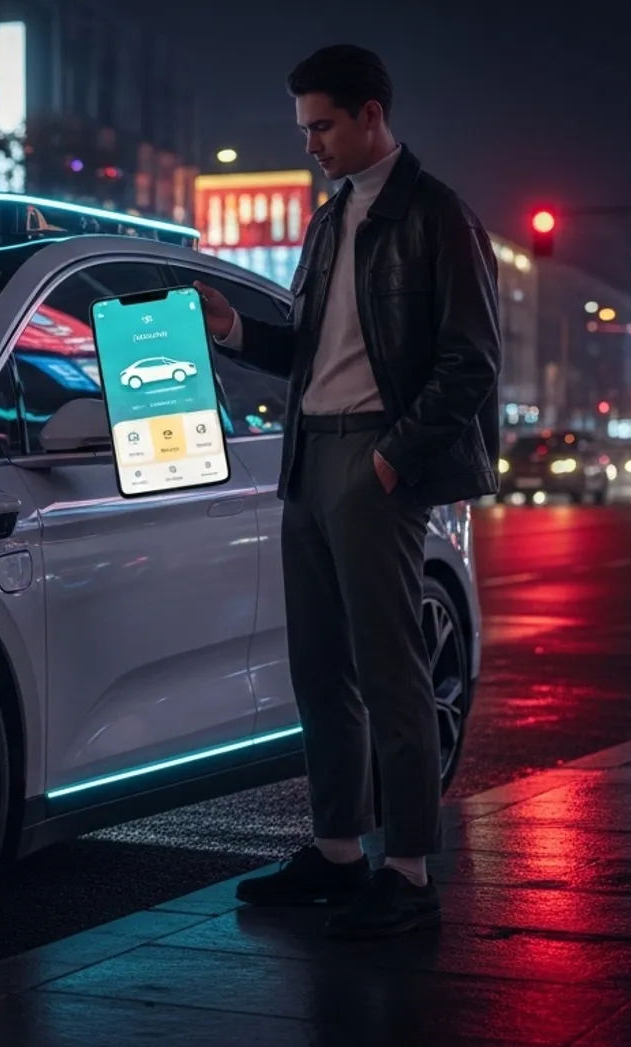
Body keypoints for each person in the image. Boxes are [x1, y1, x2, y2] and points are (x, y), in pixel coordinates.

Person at [194, 44, 500, 938]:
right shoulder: (329, 220)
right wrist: (233, 328)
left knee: (390, 669)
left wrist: (393, 462)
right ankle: (335, 851)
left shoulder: (437, 215)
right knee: (319, 668)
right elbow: (304, 350)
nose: (312, 145)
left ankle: (405, 866)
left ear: (372, 113)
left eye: (323, 126)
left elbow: (469, 362)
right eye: (303, 129)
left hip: (373, 457)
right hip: (309, 455)